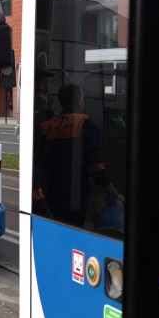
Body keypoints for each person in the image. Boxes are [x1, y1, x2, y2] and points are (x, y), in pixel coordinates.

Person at [36, 82, 118, 228]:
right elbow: (93, 161)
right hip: (75, 197)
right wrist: (107, 185)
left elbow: (39, 161)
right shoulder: (84, 124)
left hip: (51, 194)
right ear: (79, 101)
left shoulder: (47, 126)